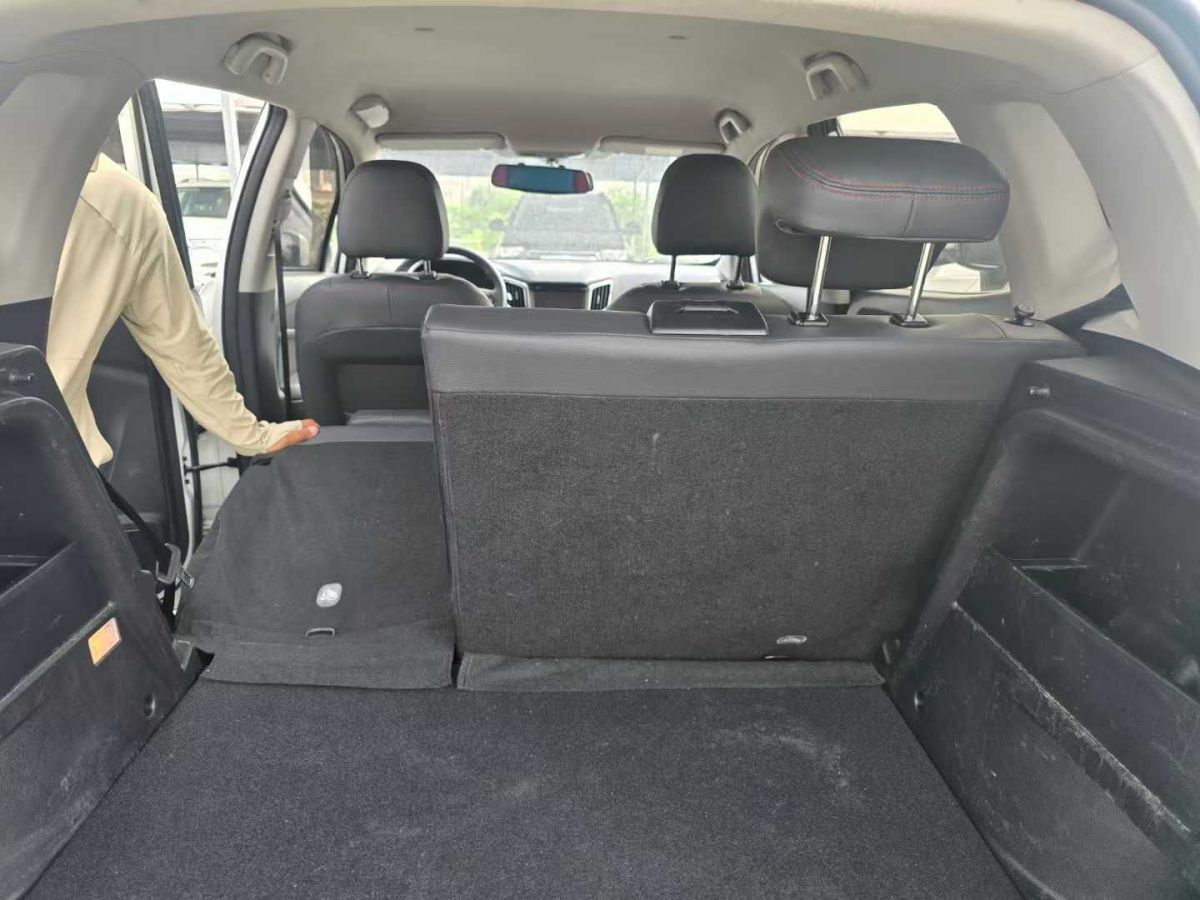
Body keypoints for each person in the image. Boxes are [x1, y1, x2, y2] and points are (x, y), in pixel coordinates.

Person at [47, 154, 317, 468]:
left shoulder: (105, 198)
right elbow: (180, 342)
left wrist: (252, 436)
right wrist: (251, 436)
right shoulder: (116, 200)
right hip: (48, 457)